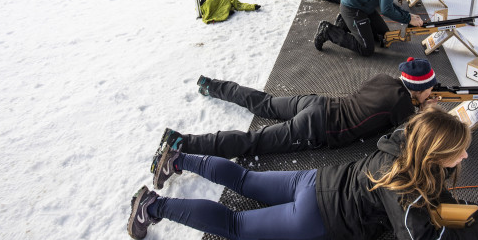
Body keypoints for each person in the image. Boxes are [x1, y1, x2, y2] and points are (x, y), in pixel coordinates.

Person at [130, 108, 478, 240]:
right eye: (459, 153)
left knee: (244, 180)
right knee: (233, 225)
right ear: (434, 153)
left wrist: (476, 215)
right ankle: (152, 206)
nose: (464, 159)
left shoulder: (406, 137)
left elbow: (437, 197)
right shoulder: (406, 191)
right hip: (316, 217)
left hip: (315, 180)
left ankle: (178, 160)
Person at [151, 56, 439, 166]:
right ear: (419, 89)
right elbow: (409, 137)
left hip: (318, 103)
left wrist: (417, 103)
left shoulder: (384, 79)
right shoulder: (403, 105)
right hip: (319, 127)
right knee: (254, 142)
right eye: (430, 88)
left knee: (264, 103)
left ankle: (211, 85)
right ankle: (182, 143)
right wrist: (426, 111)